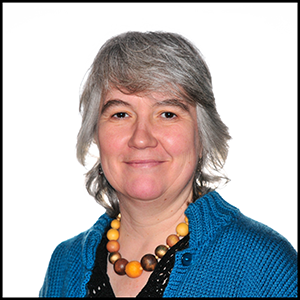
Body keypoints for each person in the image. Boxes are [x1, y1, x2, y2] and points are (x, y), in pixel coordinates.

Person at [39, 31, 297, 298]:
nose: (141, 138)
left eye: (167, 114)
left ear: (203, 134)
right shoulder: (64, 264)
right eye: (120, 114)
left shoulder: (264, 266)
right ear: (95, 133)